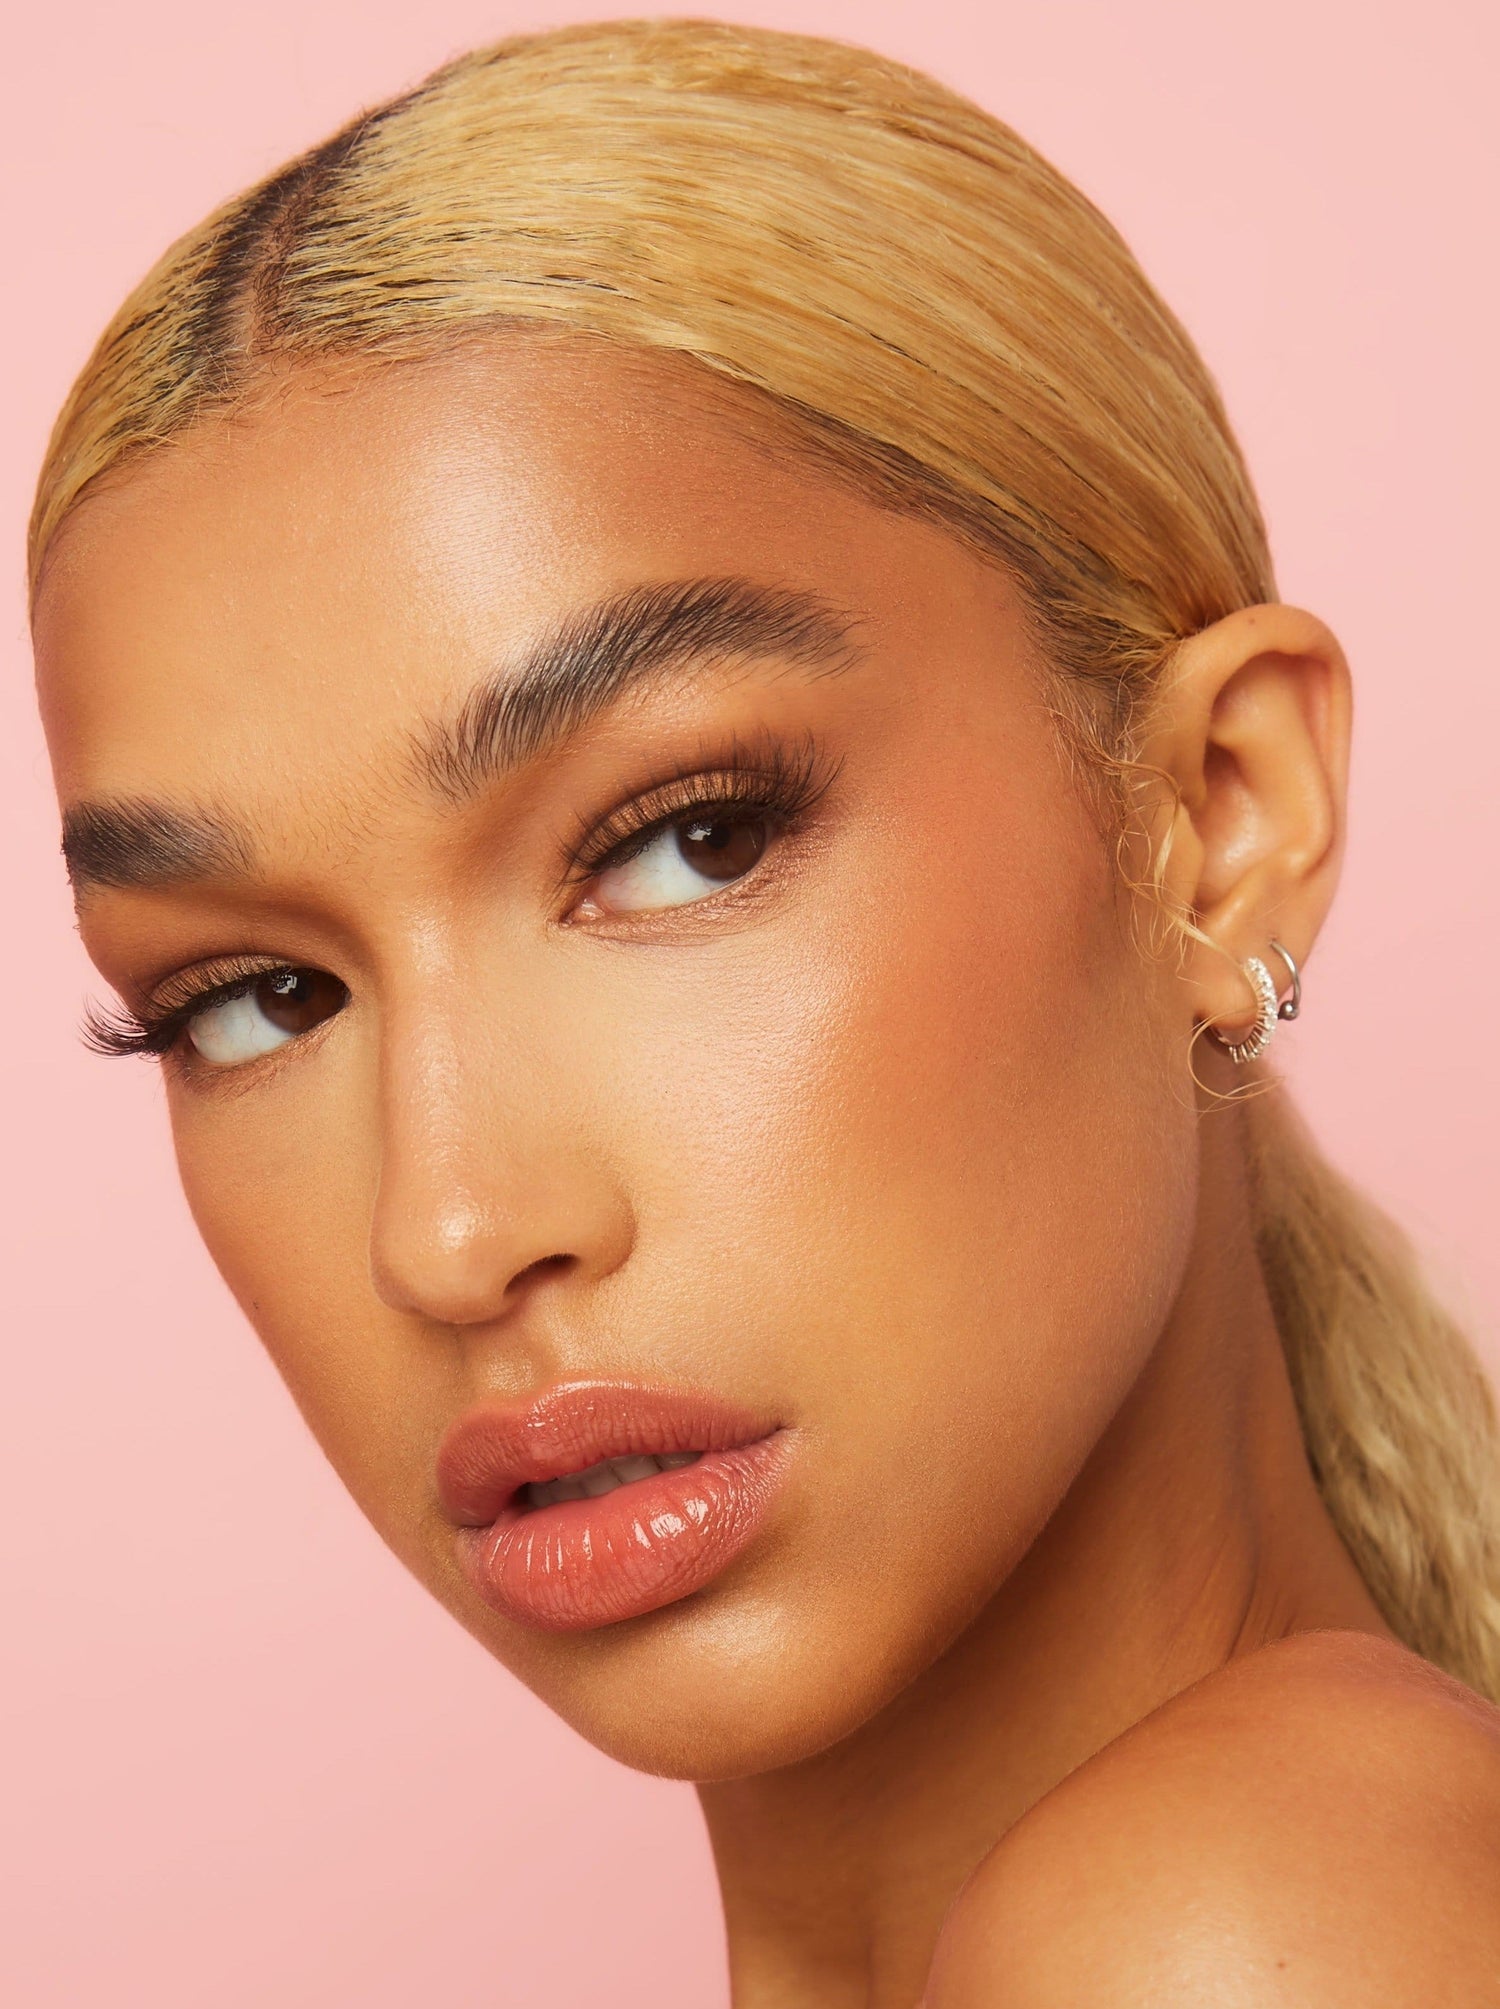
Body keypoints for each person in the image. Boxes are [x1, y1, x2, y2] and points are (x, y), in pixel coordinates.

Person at [27, 18, 1500, 2004]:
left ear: (1220, 822)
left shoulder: (1238, 1930)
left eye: (684, 843)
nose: (449, 1231)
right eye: (252, 1000)